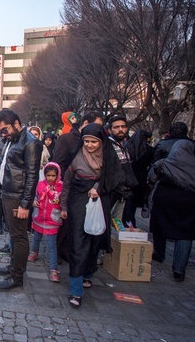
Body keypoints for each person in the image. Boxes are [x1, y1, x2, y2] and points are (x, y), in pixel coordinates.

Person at [60, 123, 123, 308]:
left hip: (100, 203)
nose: (89, 145)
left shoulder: (109, 158)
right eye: (86, 141)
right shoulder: (76, 157)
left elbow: (114, 179)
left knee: (95, 241)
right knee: (78, 244)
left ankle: (88, 273)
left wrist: (98, 188)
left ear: (101, 142)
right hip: (77, 204)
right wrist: (63, 205)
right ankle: (76, 289)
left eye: (93, 142)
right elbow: (67, 184)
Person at [0, 109, 42, 290]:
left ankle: (17, 277)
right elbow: (9, 159)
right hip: (8, 192)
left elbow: (32, 175)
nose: (3, 134)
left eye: (5, 130)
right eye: (0, 131)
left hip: (17, 196)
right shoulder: (12, 139)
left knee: (19, 236)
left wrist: (25, 203)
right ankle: (12, 267)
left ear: (16, 123)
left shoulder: (31, 143)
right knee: (14, 235)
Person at [148, 140, 195, 281]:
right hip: (190, 203)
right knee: (184, 235)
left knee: (160, 226)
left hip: (165, 200)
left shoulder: (163, 163)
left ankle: (159, 254)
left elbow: (151, 178)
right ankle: (179, 270)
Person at [53, 111, 104, 264]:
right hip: (72, 191)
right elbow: (58, 164)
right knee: (69, 227)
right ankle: (65, 254)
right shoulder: (67, 138)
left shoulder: (104, 150)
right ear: (86, 123)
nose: (89, 144)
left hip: (95, 197)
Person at [28, 162, 64, 282]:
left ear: (57, 175)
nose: (50, 178)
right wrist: (34, 202)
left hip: (52, 219)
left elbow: (63, 200)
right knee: (36, 237)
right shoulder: (40, 185)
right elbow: (35, 196)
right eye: (48, 175)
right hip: (39, 217)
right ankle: (34, 252)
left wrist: (64, 210)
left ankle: (53, 269)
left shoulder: (60, 187)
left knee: (51, 245)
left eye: (53, 176)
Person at [106, 115, 138, 226]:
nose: (120, 129)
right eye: (116, 127)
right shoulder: (108, 146)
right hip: (112, 192)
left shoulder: (124, 146)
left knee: (117, 223)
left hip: (124, 193)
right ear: (109, 129)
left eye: (123, 126)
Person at [123, 129, 154, 227]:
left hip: (128, 178)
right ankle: (131, 222)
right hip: (141, 179)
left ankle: (126, 221)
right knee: (134, 205)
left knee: (126, 203)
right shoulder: (149, 150)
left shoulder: (127, 147)